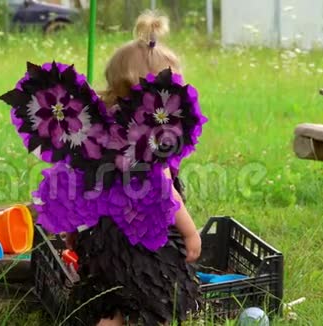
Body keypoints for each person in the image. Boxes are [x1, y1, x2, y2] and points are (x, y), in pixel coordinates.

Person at [63, 11, 202, 326]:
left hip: (100, 242)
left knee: (111, 301)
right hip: (141, 245)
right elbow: (165, 193)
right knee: (157, 297)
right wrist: (191, 234)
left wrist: (73, 232)